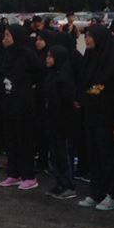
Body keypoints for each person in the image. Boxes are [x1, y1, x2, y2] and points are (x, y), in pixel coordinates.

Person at [77, 24, 114, 211]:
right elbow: (86, 84)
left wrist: (88, 92)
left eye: (90, 36)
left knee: (108, 156)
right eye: (86, 36)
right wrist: (85, 94)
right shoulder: (89, 58)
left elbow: (105, 88)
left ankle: (112, 194)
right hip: (91, 115)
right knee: (94, 155)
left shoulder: (113, 61)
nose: (87, 39)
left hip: (107, 116)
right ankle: (96, 192)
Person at [0, 25, 43, 190]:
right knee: (11, 139)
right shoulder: (8, 54)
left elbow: (39, 71)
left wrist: (28, 86)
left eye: (8, 35)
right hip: (9, 101)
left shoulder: (26, 54)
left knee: (24, 139)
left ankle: (29, 175)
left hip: (23, 103)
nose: (5, 38)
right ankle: (14, 173)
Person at [43, 44, 77, 199]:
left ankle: (69, 185)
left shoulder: (64, 76)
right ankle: (59, 183)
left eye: (50, 56)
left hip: (63, 121)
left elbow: (67, 99)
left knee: (64, 153)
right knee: (55, 154)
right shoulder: (51, 74)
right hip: (52, 119)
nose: (47, 59)